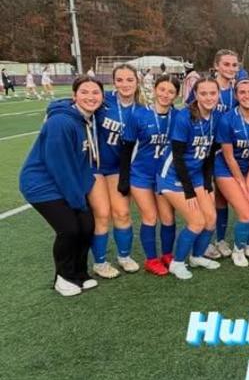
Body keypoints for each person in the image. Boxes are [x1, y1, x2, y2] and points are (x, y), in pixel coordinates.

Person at [19, 76, 103, 296]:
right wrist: (77, 199)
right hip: (41, 184)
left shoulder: (85, 119)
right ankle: (63, 277)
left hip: (68, 182)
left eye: (95, 93)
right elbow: (60, 166)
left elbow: (80, 162)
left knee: (87, 225)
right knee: (69, 229)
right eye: (84, 92)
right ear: (74, 96)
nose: (90, 97)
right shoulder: (61, 122)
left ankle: (80, 273)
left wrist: (82, 191)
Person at [158, 77, 222, 280]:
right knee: (197, 221)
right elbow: (177, 156)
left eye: (213, 93)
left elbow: (210, 153)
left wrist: (206, 182)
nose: (209, 97)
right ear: (195, 95)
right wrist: (189, 190)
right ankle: (177, 263)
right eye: (203, 93)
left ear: (218, 94)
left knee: (211, 219)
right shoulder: (185, 117)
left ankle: (197, 256)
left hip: (196, 175)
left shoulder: (216, 116)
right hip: (173, 176)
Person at [117, 75, 178, 276]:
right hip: (141, 175)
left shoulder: (178, 116)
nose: (165, 95)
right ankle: (151, 259)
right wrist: (124, 178)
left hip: (164, 176)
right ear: (154, 90)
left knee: (168, 218)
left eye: (171, 91)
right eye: (162, 89)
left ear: (176, 95)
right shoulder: (139, 115)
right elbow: (126, 149)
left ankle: (167, 255)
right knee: (150, 216)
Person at [88, 64, 142, 279]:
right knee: (101, 214)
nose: (125, 84)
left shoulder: (141, 110)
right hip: (95, 165)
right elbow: (73, 105)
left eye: (130, 79)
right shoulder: (104, 101)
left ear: (137, 82)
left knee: (122, 212)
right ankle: (100, 263)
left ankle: (124, 256)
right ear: (114, 82)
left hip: (119, 168)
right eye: (120, 80)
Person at [215, 78, 249, 267]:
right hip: (226, 169)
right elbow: (228, 157)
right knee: (245, 214)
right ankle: (237, 250)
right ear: (236, 95)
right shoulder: (227, 119)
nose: (247, 96)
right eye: (242, 92)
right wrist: (242, 182)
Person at [211, 49, 241, 260]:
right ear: (216, 66)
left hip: (227, 150)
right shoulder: (207, 88)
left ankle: (220, 239)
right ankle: (204, 241)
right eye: (226, 64)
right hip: (205, 149)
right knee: (206, 196)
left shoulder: (237, 91)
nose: (230, 68)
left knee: (221, 198)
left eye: (234, 65)